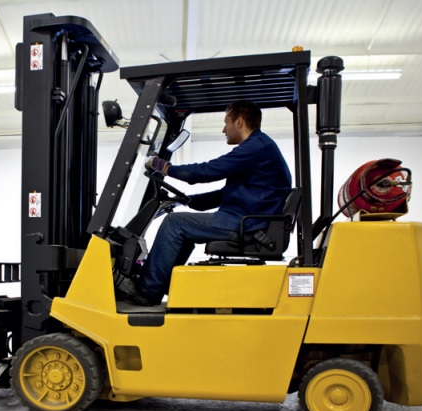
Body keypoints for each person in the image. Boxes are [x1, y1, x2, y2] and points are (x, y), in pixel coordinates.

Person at [117, 100, 292, 306]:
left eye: (226, 123)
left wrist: (164, 167)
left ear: (240, 122)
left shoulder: (256, 147)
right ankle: (157, 286)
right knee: (184, 227)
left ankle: (147, 289)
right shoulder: (260, 148)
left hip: (249, 224)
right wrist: (191, 201)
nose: (223, 129)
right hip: (250, 220)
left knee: (175, 223)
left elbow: (207, 171)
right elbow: (228, 193)